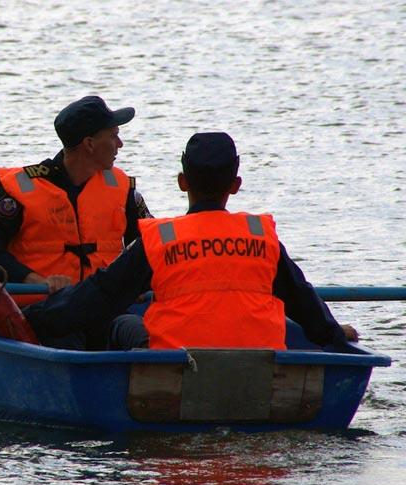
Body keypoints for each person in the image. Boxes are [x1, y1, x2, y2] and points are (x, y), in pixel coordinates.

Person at [19, 132, 358, 350]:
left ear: (182, 182)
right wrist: (335, 336)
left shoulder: (159, 240)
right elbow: (304, 302)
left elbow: (97, 297)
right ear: (236, 185)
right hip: (260, 369)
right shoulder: (262, 238)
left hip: (177, 372)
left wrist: (29, 321)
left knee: (123, 327)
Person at [0, 95, 153, 307]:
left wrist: (138, 282)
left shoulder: (120, 187)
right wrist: (35, 279)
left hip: (105, 310)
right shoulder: (21, 189)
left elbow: (150, 241)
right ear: (89, 144)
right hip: (43, 312)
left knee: (134, 332)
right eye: (113, 136)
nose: (120, 144)